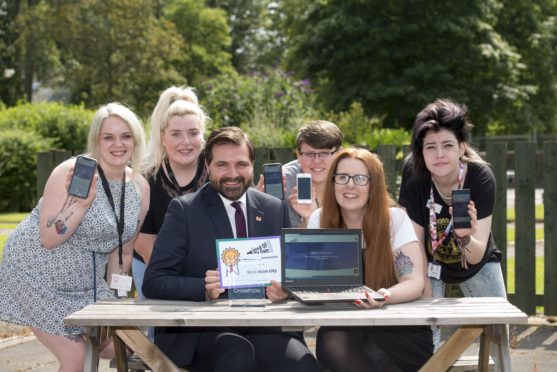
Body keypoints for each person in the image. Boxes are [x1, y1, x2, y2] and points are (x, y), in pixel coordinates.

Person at [143, 127, 320, 372]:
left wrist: (285, 289)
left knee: (303, 365)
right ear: (208, 167)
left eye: (241, 164)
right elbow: (154, 281)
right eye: (222, 165)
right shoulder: (184, 210)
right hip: (203, 331)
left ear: (252, 166)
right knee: (238, 355)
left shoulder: (273, 208)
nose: (232, 174)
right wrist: (203, 288)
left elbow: (291, 271)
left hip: (262, 326)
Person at [0, 103, 150, 370]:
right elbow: (49, 237)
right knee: (74, 355)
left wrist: (117, 298)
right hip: (36, 274)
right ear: (96, 141)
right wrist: (80, 205)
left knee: (127, 343)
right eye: (108, 137)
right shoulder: (70, 173)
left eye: (125, 136)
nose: (118, 144)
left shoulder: (140, 186)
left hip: (86, 284)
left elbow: (123, 251)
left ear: (136, 140)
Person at [308, 147, 433, 372]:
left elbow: (415, 282)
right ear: (332, 182)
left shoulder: (394, 219)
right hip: (346, 326)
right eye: (342, 177)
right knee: (332, 338)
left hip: (395, 328)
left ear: (373, 184)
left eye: (360, 178)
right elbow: (312, 280)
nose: (350, 185)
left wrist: (385, 296)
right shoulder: (319, 219)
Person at [398, 99, 506, 353]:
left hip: (474, 258)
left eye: (447, 145)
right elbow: (414, 239)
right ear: (420, 152)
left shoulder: (480, 177)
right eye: (430, 147)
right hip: (430, 259)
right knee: (425, 332)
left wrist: (466, 237)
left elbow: (477, 252)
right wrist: (421, 284)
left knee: (499, 329)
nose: (439, 155)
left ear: (462, 147)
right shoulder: (414, 173)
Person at [132, 86, 208, 302]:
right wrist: (185, 285)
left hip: (208, 271)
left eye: (193, 133)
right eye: (176, 134)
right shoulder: (146, 179)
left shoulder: (217, 170)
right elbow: (146, 245)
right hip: (154, 266)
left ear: (202, 135)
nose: (186, 141)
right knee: (159, 331)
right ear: (162, 137)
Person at [282, 120, 343, 227]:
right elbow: (287, 241)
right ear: (298, 155)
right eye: (309, 153)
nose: (317, 161)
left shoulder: (352, 179)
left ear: (340, 154)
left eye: (325, 153)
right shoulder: (285, 183)